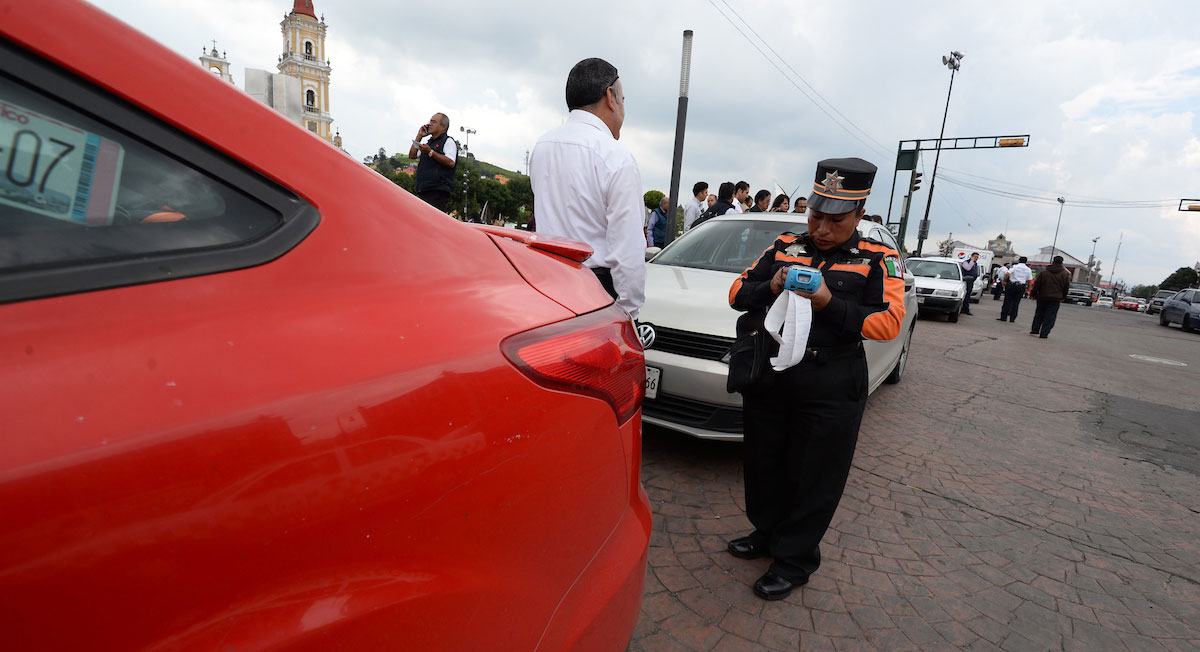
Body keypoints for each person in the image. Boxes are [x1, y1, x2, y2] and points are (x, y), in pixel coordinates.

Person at [727, 157, 906, 600]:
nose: (822, 228)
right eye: (816, 216)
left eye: (835, 220)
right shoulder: (785, 245)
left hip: (832, 379)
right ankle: (766, 533)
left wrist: (828, 301)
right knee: (764, 461)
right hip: (773, 373)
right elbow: (736, 293)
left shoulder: (877, 258)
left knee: (815, 473)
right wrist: (772, 285)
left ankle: (794, 559)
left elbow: (888, 324)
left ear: (859, 214)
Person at [530, 57, 646, 318]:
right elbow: (628, 250)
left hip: (548, 286)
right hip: (595, 293)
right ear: (610, 97)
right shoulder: (616, 156)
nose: (623, 109)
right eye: (623, 100)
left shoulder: (543, 146)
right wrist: (629, 313)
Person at [408, 112, 458, 212]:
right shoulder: (428, 144)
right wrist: (419, 136)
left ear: (443, 127)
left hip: (437, 191)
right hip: (423, 189)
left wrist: (431, 152)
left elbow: (451, 162)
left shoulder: (448, 141)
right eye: (430, 121)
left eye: (434, 122)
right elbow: (412, 155)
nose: (430, 124)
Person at [1029, 255, 1071, 338]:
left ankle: (1035, 330)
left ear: (1053, 261)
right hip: (1056, 298)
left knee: (1039, 313)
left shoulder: (1044, 272)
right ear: (1062, 263)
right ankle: (1044, 333)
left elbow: (1037, 284)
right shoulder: (1065, 274)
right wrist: (1063, 297)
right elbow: (1066, 287)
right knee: (1050, 316)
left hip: (1042, 296)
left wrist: (1033, 294)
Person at [999, 256, 1032, 322]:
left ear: (1019, 261)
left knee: (1007, 301)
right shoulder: (1028, 269)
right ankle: (1012, 318)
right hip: (1021, 286)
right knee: (1016, 303)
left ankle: (1004, 317)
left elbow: (1007, 274)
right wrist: (1028, 289)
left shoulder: (1014, 267)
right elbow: (1029, 281)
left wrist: (1004, 281)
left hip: (1012, 285)